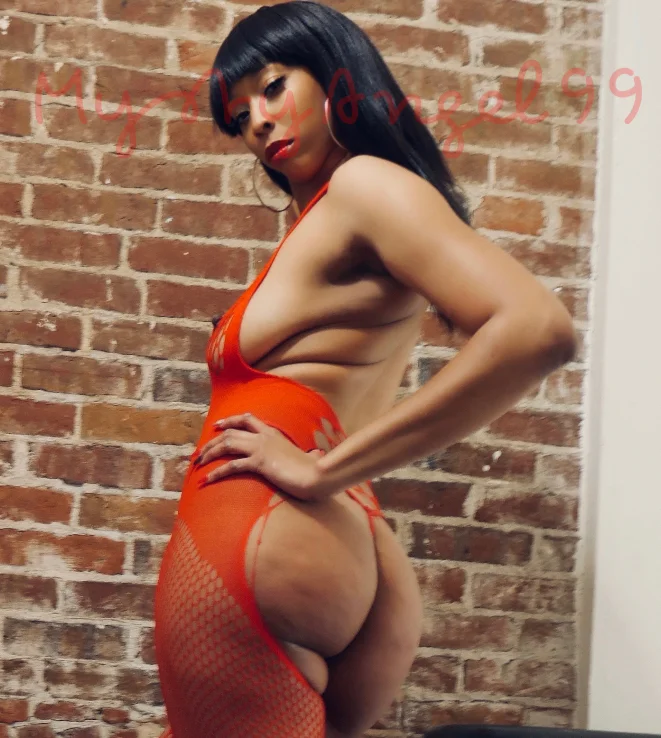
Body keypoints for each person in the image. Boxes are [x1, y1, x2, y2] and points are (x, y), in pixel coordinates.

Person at [152, 2, 578, 737]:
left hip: (261, 545)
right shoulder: (334, 212)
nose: (258, 121)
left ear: (336, 76)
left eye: (273, 86)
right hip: (345, 549)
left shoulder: (363, 187)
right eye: (240, 114)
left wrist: (321, 472)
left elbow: (538, 330)